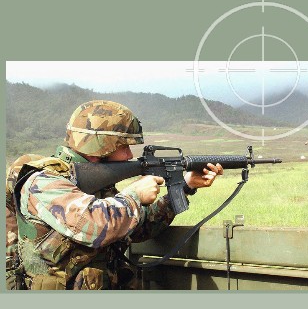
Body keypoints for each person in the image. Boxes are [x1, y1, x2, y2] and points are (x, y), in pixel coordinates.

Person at [7, 100, 223, 290]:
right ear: (101, 145)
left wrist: (185, 185)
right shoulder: (43, 182)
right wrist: (135, 195)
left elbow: (139, 229)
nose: (130, 155)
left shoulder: (98, 187)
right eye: (124, 146)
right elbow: (94, 225)